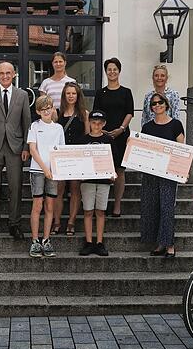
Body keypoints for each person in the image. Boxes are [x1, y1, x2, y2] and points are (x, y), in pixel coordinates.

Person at [0, 61, 31, 240]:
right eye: (2, 73)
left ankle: (14, 224)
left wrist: (26, 147)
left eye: (8, 73)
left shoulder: (22, 95)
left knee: (15, 187)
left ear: (14, 74)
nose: (5, 76)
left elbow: (27, 123)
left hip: (15, 148)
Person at [140, 93, 185, 258]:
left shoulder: (176, 125)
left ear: (166, 104)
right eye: (153, 103)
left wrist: (182, 170)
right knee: (152, 208)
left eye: (160, 102)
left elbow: (182, 150)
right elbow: (142, 150)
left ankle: (170, 244)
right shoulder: (147, 127)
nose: (157, 105)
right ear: (151, 107)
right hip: (150, 173)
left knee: (166, 208)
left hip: (169, 173)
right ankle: (160, 243)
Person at [92, 57, 134, 218]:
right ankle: (101, 205)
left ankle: (117, 205)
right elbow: (96, 115)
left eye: (114, 69)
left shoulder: (126, 92)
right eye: (109, 69)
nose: (112, 72)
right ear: (105, 71)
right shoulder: (100, 93)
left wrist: (121, 129)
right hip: (103, 135)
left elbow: (130, 112)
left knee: (120, 170)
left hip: (121, 135)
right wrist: (101, 130)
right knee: (103, 169)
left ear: (119, 71)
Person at [27, 95, 65, 257]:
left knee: (50, 206)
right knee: (37, 205)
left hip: (54, 172)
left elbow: (61, 151)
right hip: (37, 171)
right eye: (43, 109)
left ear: (52, 108)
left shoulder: (58, 128)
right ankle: (35, 241)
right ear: (38, 111)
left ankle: (46, 239)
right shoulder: (34, 126)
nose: (46, 111)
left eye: (49, 107)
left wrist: (56, 170)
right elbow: (33, 150)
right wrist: (44, 168)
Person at [52, 82, 90, 236]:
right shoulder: (57, 113)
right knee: (59, 190)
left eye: (73, 93)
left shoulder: (84, 114)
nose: (71, 96)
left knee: (75, 189)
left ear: (78, 95)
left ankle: (71, 222)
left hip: (77, 157)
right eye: (68, 93)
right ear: (64, 95)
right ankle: (56, 222)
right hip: (61, 157)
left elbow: (88, 135)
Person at [76, 111, 113, 256]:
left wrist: (112, 173)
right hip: (87, 180)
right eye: (93, 122)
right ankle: (89, 242)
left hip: (104, 181)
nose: (96, 125)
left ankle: (99, 242)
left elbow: (113, 159)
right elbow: (78, 160)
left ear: (104, 124)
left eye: (99, 123)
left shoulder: (108, 140)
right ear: (89, 123)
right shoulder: (83, 140)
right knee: (88, 211)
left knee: (100, 211)